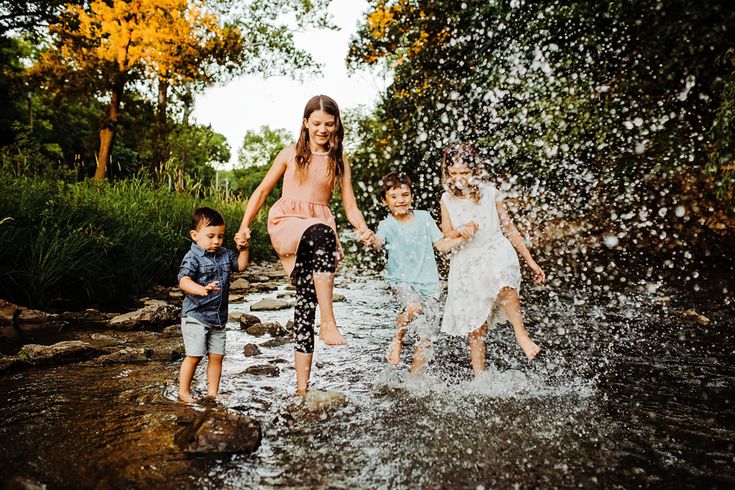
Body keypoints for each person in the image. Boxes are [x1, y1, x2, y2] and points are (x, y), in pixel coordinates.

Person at [234, 95, 372, 396]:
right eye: (317, 123)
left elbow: (350, 205)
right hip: (289, 223)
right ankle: (330, 321)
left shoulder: (338, 159)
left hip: (318, 233)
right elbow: (261, 191)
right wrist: (245, 224)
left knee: (305, 303)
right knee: (322, 232)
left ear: (336, 126)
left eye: (329, 124)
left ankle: (301, 389)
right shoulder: (289, 154)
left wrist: (362, 228)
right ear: (305, 122)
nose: (323, 129)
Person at [439, 143, 546, 376]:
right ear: (447, 173)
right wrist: (461, 230)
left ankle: (521, 334)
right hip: (467, 260)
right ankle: (479, 378)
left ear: (475, 171)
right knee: (476, 327)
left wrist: (530, 261)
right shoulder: (446, 199)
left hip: (495, 248)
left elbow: (510, 228)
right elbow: (446, 231)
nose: (460, 179)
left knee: (504, 278)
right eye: (454, 173)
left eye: (465, 173)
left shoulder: (490, 192)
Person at [368, 171, 467, 374]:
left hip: (429, 286)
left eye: (404, 195)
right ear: (384, 200)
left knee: (427, 337)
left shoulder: (424, 218)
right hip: (401, 281)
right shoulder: (386, 225)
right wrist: (370, 240)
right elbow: (378, 242)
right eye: (393, 196)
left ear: (412, 196)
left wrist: (464, 239)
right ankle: (397, 339)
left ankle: (415, 380)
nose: (400, 200)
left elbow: (441, 245)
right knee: (413, 307)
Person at [177, 207, 249, 403]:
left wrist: (243, 249)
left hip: (218, 317)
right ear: (195, 235)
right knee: (194, 355)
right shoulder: (193, 257)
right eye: (210, 236)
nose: (216, 241)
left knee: (217, 357)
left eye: (220, 236)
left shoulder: (225, 254)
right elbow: (183, 280)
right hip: (196, 316)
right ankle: (183, 392)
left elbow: (241, 266)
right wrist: (200, 289)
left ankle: (212, 393)